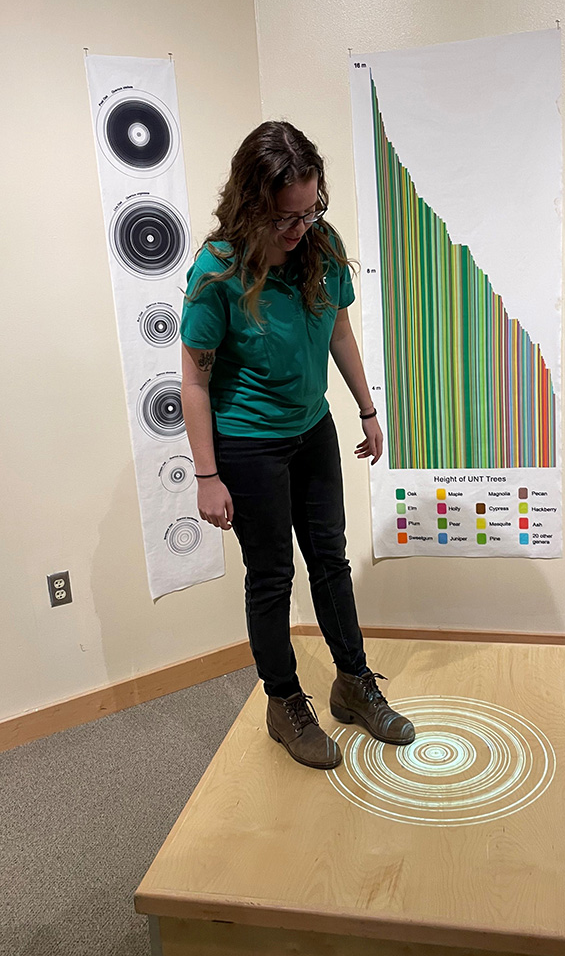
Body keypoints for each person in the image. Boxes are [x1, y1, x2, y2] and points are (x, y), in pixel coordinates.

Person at [180, 121, 414, 769]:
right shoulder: (216, 272)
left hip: (311, 430)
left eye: (312, 211)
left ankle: (352, 683)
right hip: (248, 445)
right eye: (287, 217)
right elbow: (194, 381)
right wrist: (206, 475)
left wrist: (366, 409)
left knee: (330, 562)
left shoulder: (320, 245)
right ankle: (283, 703)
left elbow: (338, 331)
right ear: (251, 204)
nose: (300, 228)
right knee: (271, 576)